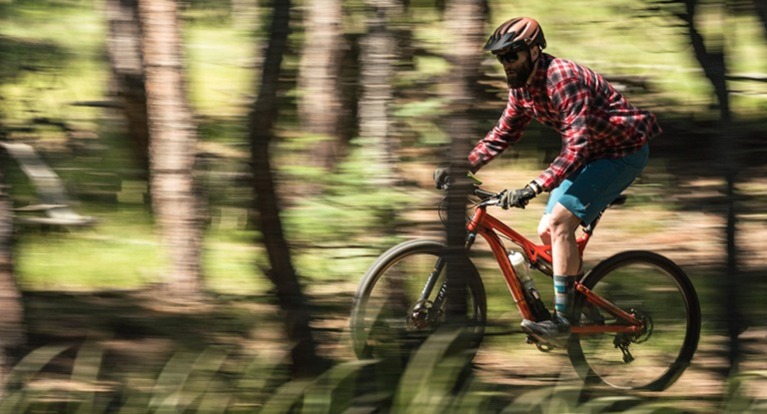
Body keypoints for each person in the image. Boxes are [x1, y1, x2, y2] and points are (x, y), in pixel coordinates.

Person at [433, 17, 661, 347]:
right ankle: (580, 305)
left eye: (512, 56)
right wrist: (460, 165)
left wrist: (535, 186)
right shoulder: (522, 87)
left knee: (558, 222)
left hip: (622, 152)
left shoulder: (562, 79)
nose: (506, 65)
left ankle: (563, 322)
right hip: (591, 155)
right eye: (501, 59)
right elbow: (503, 134)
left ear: (535, 50)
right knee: (547, 234)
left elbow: (577, 145)